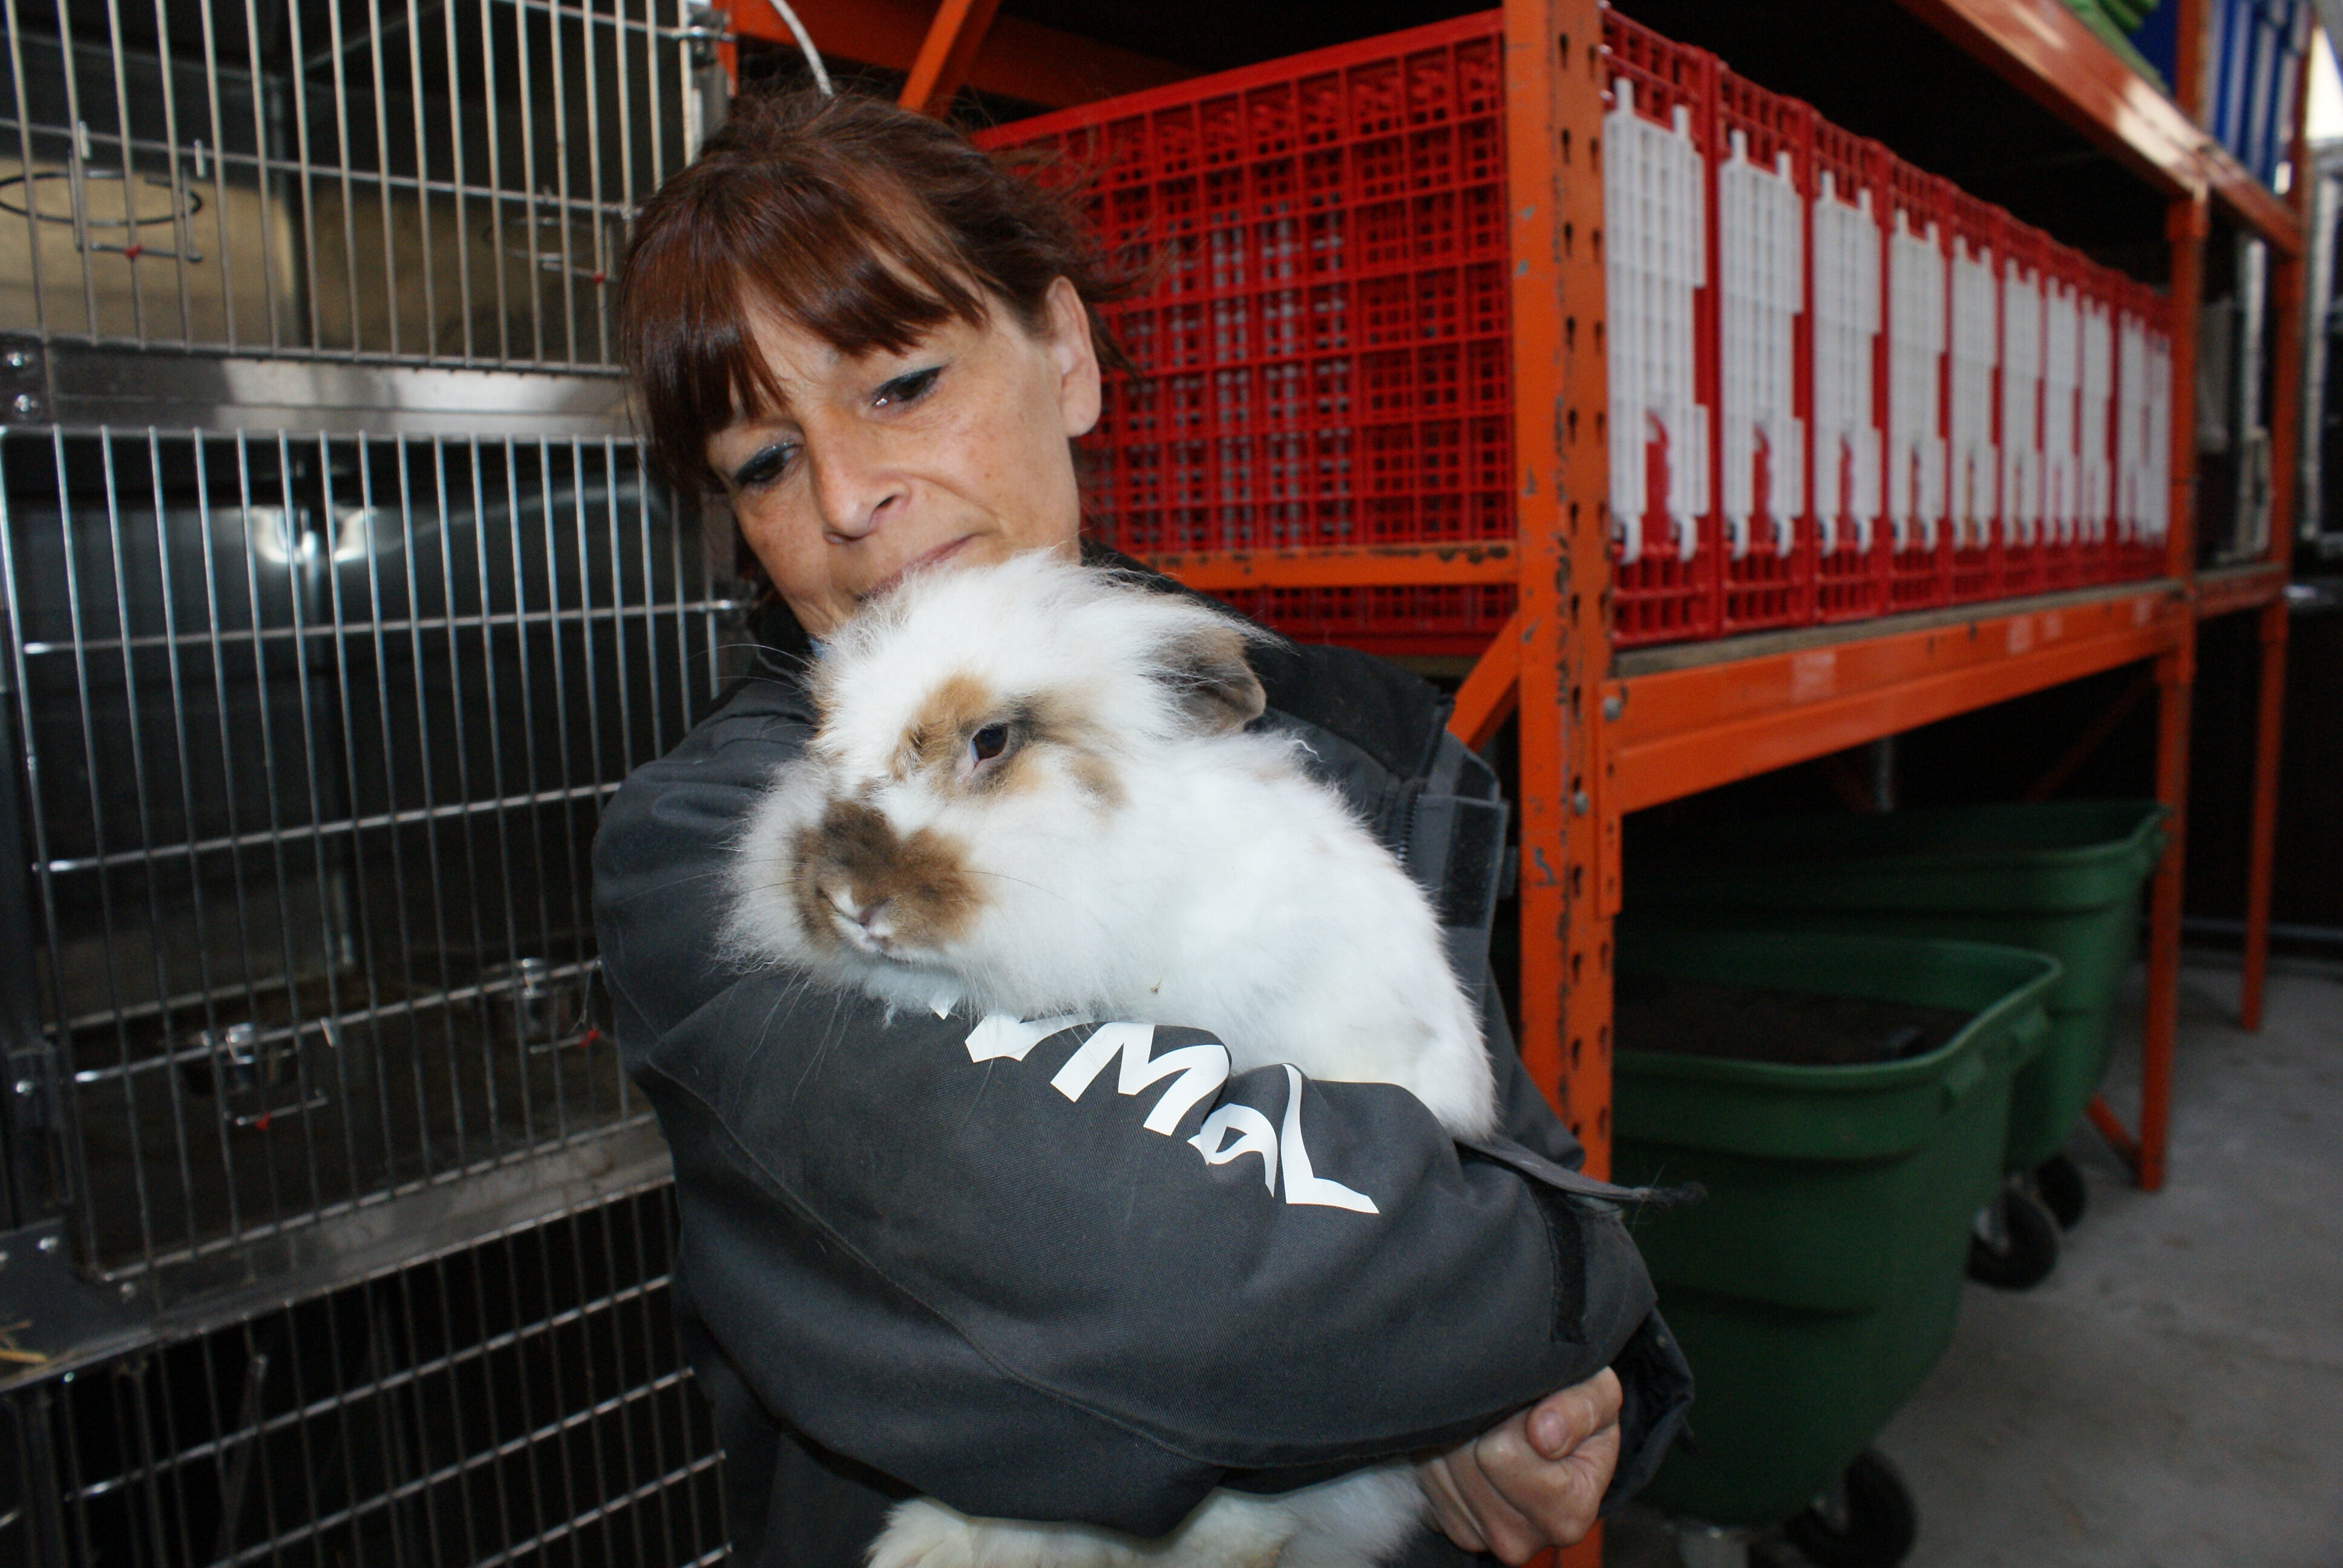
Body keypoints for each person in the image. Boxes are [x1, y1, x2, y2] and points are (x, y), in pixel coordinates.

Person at [596, 87, 1691, 1568]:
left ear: (1062, 352)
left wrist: (1566, 1405)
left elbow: (1489, 1127)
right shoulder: (719, 851)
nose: (851, 498)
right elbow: (1165, 1282)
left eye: (902, 383)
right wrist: (1570, 1292)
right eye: (764, 465)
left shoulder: (1341, 732)